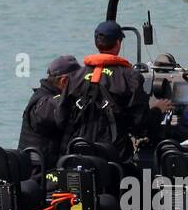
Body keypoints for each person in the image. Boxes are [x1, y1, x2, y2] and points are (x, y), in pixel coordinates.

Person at [61, 21, 153, 158]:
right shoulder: (130, 77)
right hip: (113, 157)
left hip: (77, 153)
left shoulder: (75, 77)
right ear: (118, 43)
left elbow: (61, 117)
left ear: (96, 44)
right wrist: (157, 111)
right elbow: (139, 124)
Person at [18, 54, 80, 167]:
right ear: (64, 81)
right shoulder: (45, 103)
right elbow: (57, 107)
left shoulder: (44, 95)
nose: (81, 85)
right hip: (39, 175)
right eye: (78, 81)